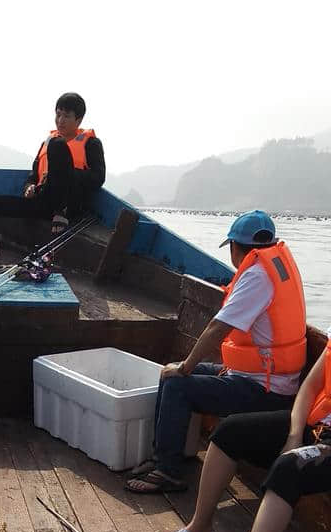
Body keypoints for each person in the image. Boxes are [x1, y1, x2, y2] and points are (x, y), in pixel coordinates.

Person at [156, 331, 331, 532]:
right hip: (315, 429)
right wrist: (292, 435)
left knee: (289, 468)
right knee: (231, 431)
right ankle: (200, 527)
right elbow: (310, 388)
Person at [125, 211, 307, 494]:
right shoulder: (275, 267)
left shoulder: (257, 277)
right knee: (171, 373)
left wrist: (186, 367)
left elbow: (216, 328)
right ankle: (165, 456)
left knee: (177, 383)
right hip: (263, 378)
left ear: (235, 248)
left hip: (265, 391)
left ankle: (168, 471)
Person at [0, 93, 106, 268]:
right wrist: (31, 186)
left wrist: (64, 174)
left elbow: (98, 178)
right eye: (58, 114)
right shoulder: (48, 142)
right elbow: (33, 175)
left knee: (57, 146)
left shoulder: (91, 144)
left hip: (70, 206)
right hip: (43, 202)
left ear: (79, 120)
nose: (60, 120)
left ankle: (62, 211)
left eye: (67, 116)